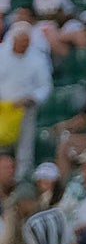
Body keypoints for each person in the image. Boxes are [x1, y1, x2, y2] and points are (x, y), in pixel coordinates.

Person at [0, 21, 52, 177]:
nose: (24, 44)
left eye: (26, 41)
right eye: (21, 41)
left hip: (25, 108)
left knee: (24, 147)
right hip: (3, 109)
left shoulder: (38, 58)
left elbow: (45, 86)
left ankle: (21, 178)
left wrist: (31, 99)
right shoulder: (2, 54)